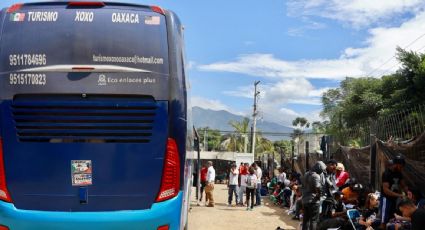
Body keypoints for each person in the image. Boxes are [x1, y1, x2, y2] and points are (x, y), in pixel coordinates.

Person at [379, 155, 408, 229]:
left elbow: (403, 185)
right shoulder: (386, 174)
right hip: (386, 198)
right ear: (396, 164)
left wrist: (407, 192)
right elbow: (386, 191)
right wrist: (399, 195)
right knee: (384, 220)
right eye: (401, 166)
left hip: (394, 199)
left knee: (393, 219)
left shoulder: (399, 173)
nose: (402, 168)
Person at [302, 161, 326, 230]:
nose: (322, 171)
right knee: (314, 220)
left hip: (304, 199)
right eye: (322, 169)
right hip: (313, 201)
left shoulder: (306, 174)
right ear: (319, 168)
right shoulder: (316, 176)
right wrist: (319, 195)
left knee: (305, 220)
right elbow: (318, 187)